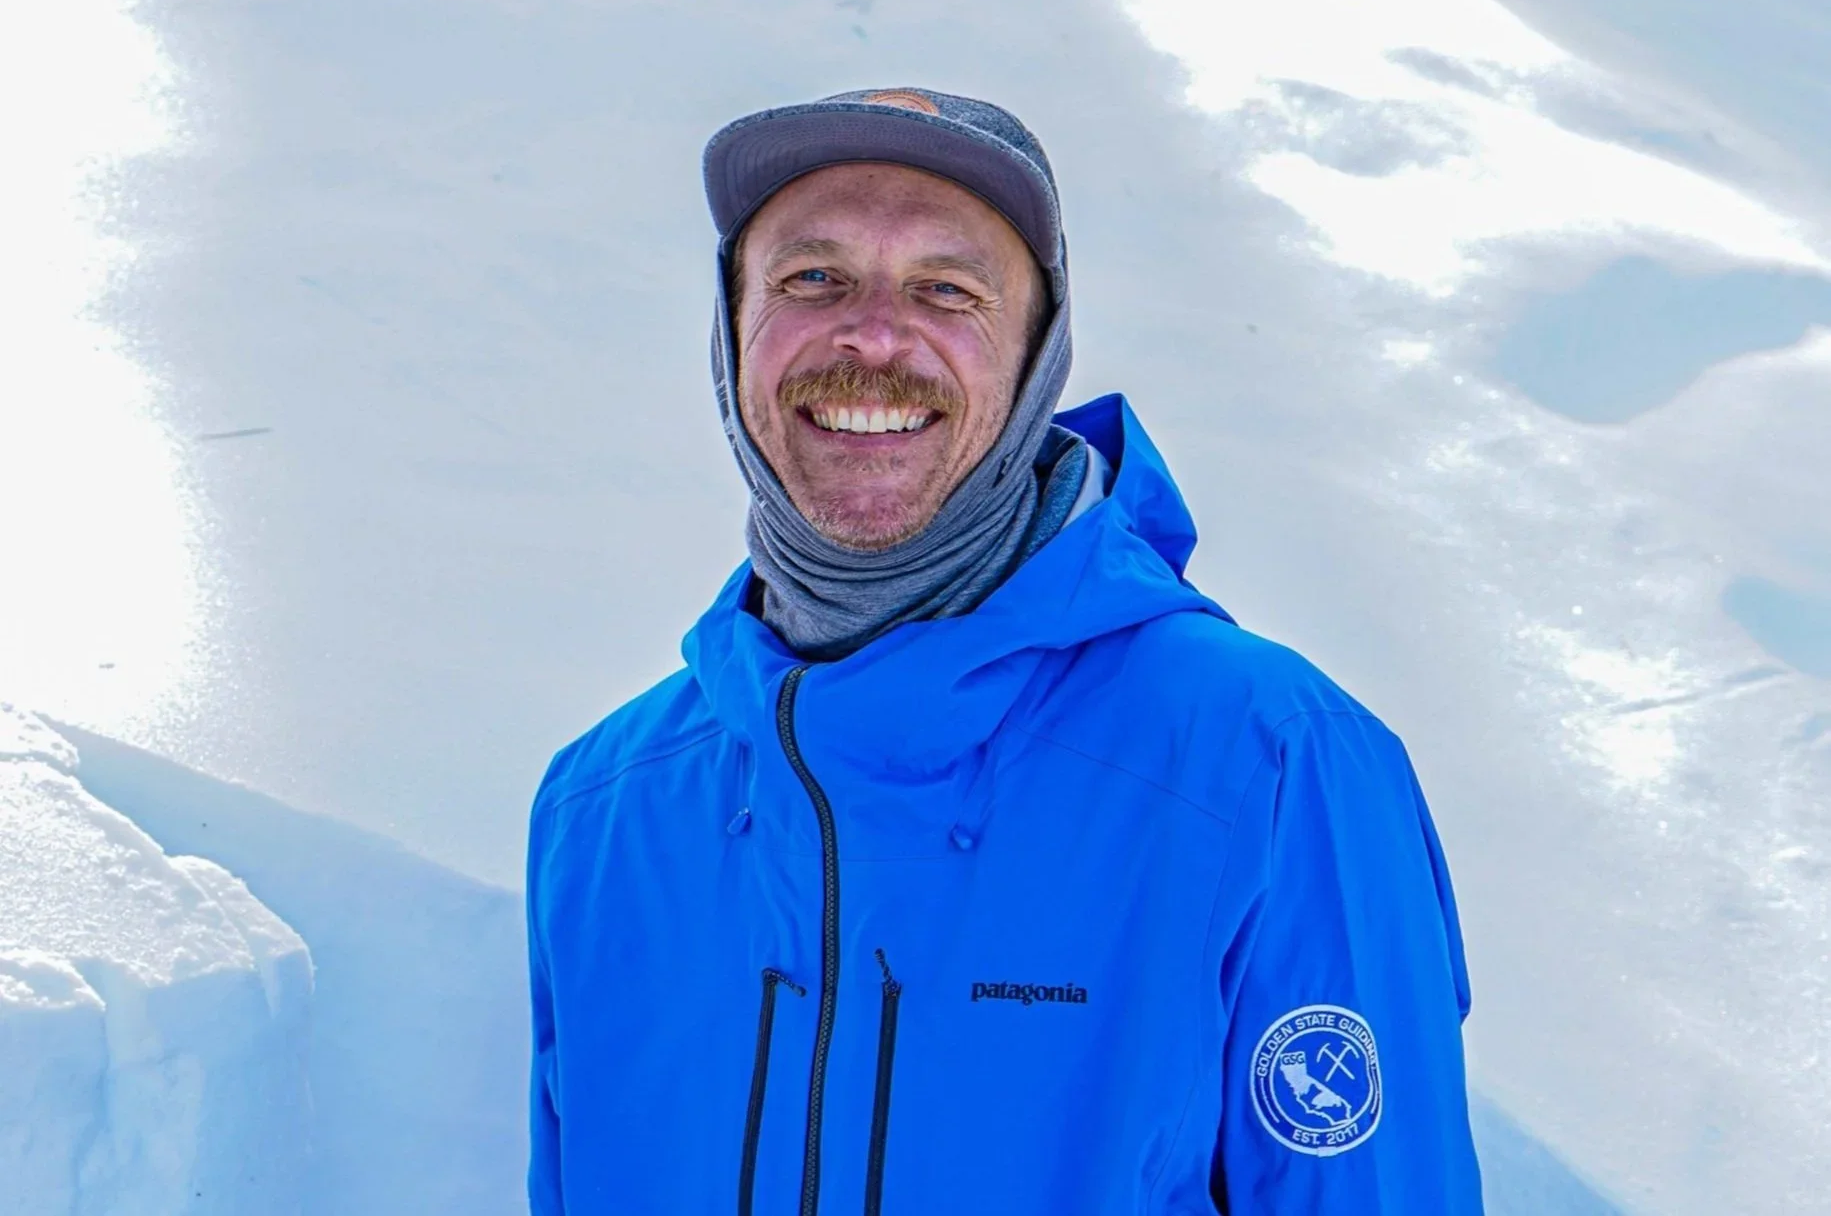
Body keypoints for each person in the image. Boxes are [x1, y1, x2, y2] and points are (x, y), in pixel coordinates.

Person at [526, 86, 1483, 1214]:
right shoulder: (604, 808)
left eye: (946, 288)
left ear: (1039, 358)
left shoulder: (1265, 761)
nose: (873, 335)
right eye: (811, 278)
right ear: (732, 330)